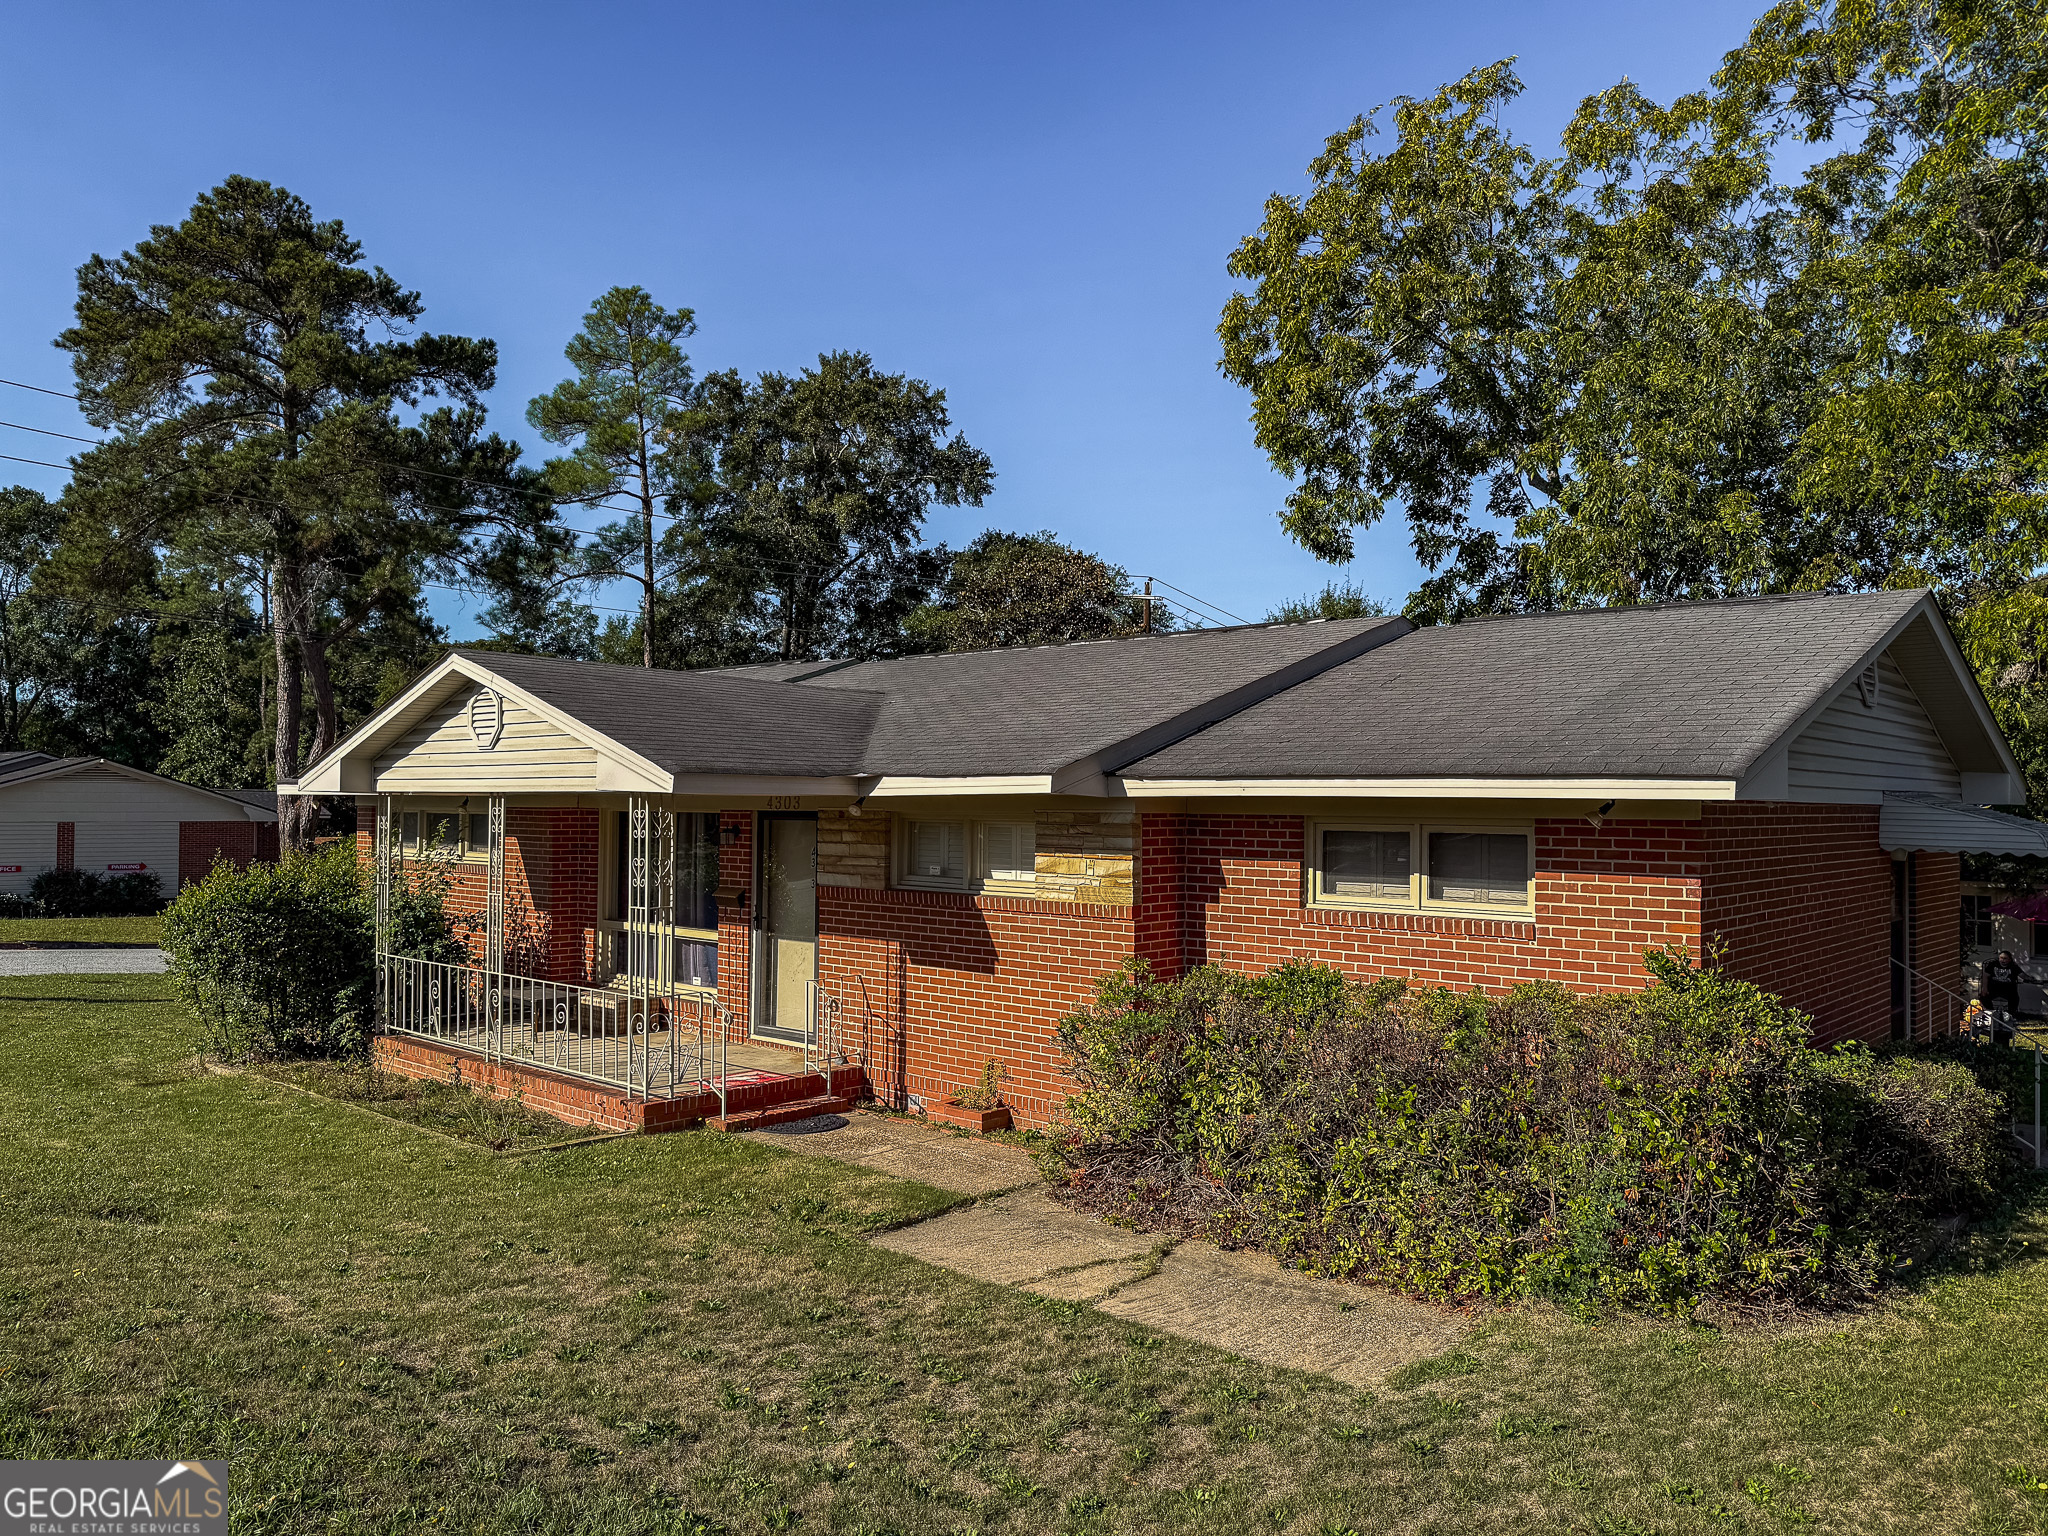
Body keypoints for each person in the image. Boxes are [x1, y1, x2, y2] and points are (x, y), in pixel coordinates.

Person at [1981, 949, 2033, 1017]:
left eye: (2005, 958)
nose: (2003, 960)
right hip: (1994, 988)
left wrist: (2030, 978)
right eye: (2001, 958)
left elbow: (2022, 975)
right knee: (1983, 997)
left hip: (2008, 990)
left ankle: (2010, 1016)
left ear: (2009, 959)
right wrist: (1985, 988)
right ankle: (1991, 1014)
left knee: (2014, 999)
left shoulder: (2013, 966)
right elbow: (1985, 976)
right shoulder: (1993, 964)